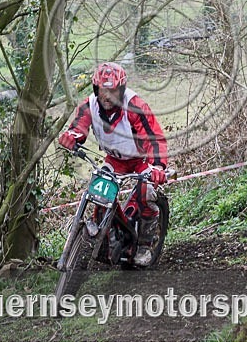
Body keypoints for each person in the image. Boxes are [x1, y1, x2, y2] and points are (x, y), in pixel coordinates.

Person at [58, 62, 168, 266]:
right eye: (102, 90)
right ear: (95, 88)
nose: (106, 96)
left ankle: (145, 245)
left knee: (147, 193)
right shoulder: (89, 105)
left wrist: (158, 167)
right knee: (99, 193)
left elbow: (154, 138)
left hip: (141, 160)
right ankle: (105, 242)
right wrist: (72, 136)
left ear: (121, 89)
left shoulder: (135, 106)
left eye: (112, 90)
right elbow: (79, 126)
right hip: (114, 160)